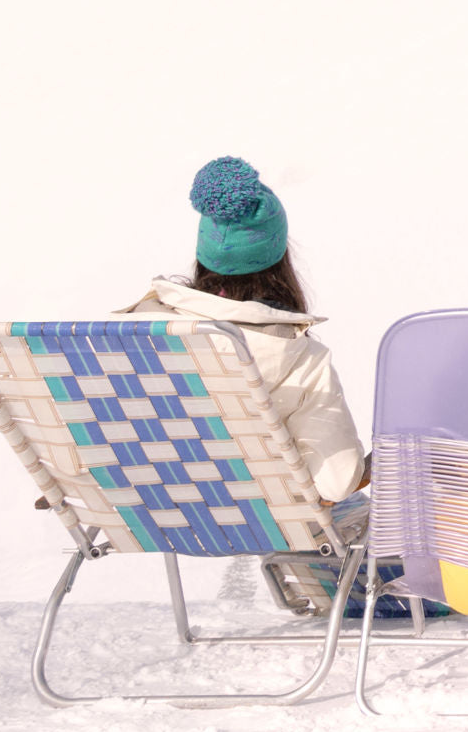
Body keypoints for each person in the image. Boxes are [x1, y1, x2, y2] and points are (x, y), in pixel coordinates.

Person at [113, 156, 367, 504]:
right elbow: (334, 482)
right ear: (281, 261)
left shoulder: (135, 334)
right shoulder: (301, 360)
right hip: (253, 516)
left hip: (148, 508)